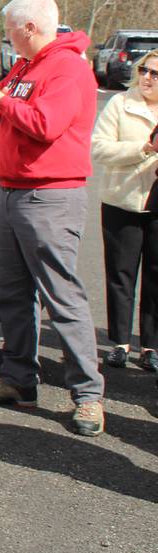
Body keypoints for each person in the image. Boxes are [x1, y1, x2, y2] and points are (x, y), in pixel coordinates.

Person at [0, 0, 105, 436]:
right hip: (11, 193)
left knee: (62, 297)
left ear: (28, 27)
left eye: (9, 29)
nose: (6, 37)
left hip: (50, 196)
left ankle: (88, 395)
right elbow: (4, 118)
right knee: (12, 295)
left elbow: (45, 124)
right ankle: (18, 379)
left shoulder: (68, 69)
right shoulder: (27, 68)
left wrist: (0, 102)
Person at [90, 48, 158, 372]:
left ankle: (150, 346)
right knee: (121, 274)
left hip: (157, 204)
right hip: (123, 200)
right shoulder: (120, 103)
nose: (147, 78)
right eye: (144, 70)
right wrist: (144, 148)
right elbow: (100, 148)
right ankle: (119, 342)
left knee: (156, 278)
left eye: (155, 74)